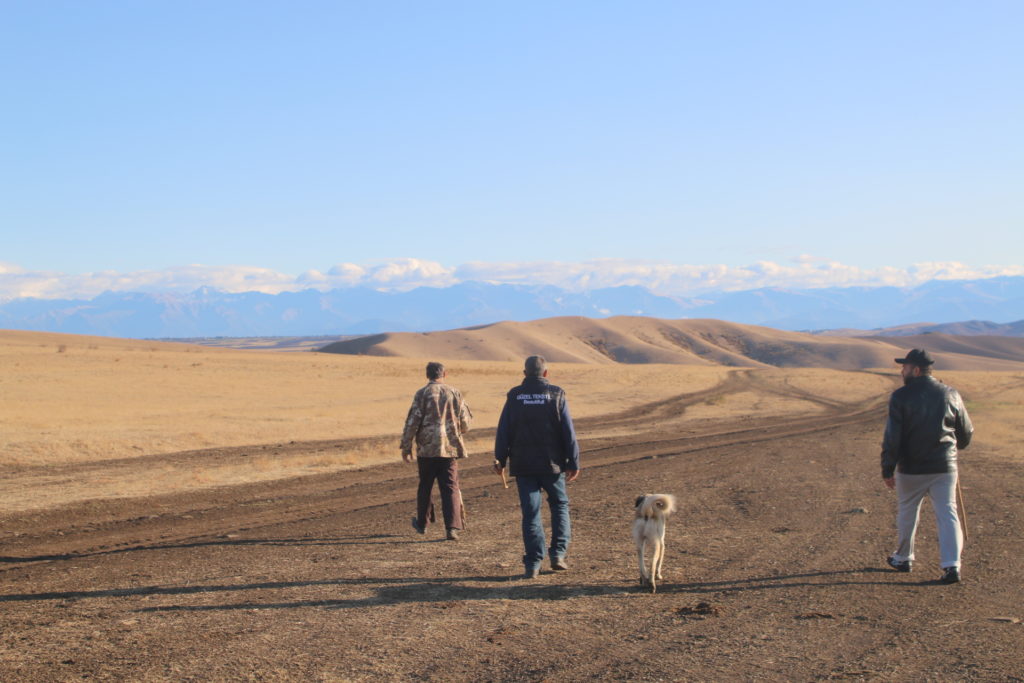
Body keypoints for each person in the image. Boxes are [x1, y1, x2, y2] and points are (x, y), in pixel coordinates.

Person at [881, 348, 973, 584]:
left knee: (908, 511)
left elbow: (893, 438)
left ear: (916, 370)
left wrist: (887, 468)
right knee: (947, 513)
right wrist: (956, 447)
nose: (902, 371)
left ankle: (903, 558)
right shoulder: (951, 394)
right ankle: (952, 566)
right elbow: (966, 432)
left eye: (905, 367)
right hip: (945, 466)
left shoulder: (901, 396)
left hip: (911, 468)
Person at [494, 355, 580, 579]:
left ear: (525, 374)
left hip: (523, 465)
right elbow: (568, 431)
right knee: (560, 506)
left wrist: (500, 459)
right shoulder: (556, 394)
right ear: (546, 373)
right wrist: (573, 460)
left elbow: (504, 430)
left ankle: (533, 564)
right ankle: (558, 555)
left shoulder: (515, 395)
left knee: (531, 513)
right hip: (552, 465)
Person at [401, 361, 472, 541]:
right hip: (449, 449)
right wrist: (456, 432)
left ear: (427, 375)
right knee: (450, 487)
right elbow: (465, 422)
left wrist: (406, 445)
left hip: (426, 449)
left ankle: (422, 524)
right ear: (444, 374)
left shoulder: (422, 394)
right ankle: (452, 528)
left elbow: (412, 422)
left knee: (425, 485)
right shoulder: (454, 393)